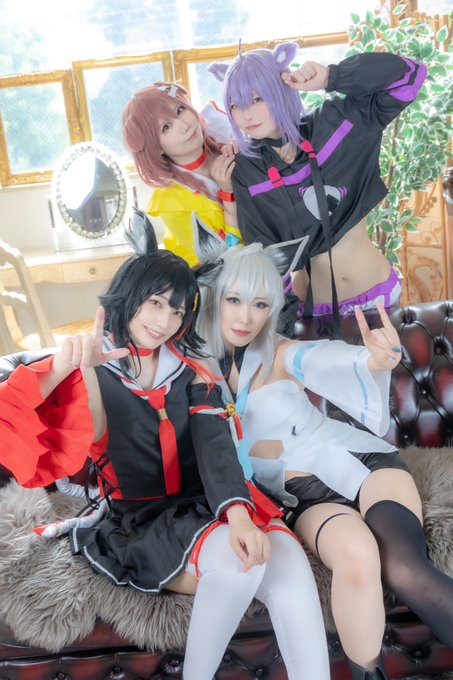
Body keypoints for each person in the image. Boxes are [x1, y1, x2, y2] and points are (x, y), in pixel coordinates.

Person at [0, 216, 330, 680]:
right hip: (141, 521)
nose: (164, 321)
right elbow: (14, 414)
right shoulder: (92, 369)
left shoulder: (190, 366)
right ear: (128, 295)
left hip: (210, 502)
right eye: (154, 303)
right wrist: (64, 367)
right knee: (240, 566)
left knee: (291, 566)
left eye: (176, 310)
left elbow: (215, 444)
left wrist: (238, 513)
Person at [195, 233, 453, 680]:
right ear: (214, 297)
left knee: (403, 567)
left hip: (363, 465)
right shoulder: (193, 371)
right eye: (234, 299)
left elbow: (322, 358)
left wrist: (373, 362)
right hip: (302, 498)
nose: (245, 316)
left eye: (260, 304)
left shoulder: (278, 352)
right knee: (356, 555)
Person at [208, 43, 427, 322]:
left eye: (256, 99)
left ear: (282, 88)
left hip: (377, 298)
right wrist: (285, 324)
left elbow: (410, 75)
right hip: (313, 313)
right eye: (235, 105)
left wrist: (332, 77)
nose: (246, 114)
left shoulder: (336, 122)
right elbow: (265, 259)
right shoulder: (248, 171)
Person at [122, 82, 242, 267]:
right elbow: (224, 262)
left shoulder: (227, 137)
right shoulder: (173, 203)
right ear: (156, 147)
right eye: (166, 127)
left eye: (180, 110)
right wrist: (228, 194)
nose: (185, 125)